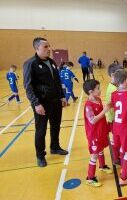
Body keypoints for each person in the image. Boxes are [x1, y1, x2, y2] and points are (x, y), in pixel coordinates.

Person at [23, 37, 68, 168]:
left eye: (49, 46)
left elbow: (57, 81)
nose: (49, 49)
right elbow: (28, 86)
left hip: (55, 101)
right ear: (37, 48)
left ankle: (55, 147)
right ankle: (40, 155)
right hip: (41, 103)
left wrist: (62, 96)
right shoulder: (30, 63)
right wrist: (36, 103)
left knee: (56, 126)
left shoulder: (52, 62)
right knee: (41, 130)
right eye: (45, 47)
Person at [108, 69, 127, 186]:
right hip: (126, 128)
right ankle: (124, 178)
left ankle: (124, 169)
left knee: (122, 149)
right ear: (126, 80)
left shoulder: (114, 94)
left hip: (116, 127)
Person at [83, 79, 112, 187]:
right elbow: (93, 120)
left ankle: (102, 165)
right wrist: (105, 110)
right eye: (98, 88)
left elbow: (102, 112)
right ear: (90, 91)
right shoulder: (88, 105)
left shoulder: (98, 99)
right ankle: (90, 178)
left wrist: (107, 107)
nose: (100, 90)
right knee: (94, 155)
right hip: (93, 134)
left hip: (101, 131)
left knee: (101, 149)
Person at [105, 63, 122, 165]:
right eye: (119, 74)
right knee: (116, 139)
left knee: (115, 138)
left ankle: (117, 156)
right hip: (114, 119)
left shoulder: (112, 86)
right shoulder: (114, 89)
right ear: (112, 75)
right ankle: (116, 158)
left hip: (113, 118)